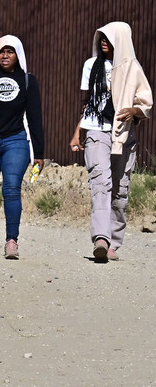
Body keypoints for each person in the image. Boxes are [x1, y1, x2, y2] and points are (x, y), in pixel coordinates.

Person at [68, 22, 151, 262]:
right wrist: (78, 132)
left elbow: (146, 103)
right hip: (96, 130)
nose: (103, 41)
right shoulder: (91, 65)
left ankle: (114, 242)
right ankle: (101, 238)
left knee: (120, 188)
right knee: (100, 182)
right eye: (101, 37)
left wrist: (134, 111)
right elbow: (88, 103)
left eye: (109, 37)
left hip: (122, 134)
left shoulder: (133, 68)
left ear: (121, 39)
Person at [0, 35, 45, 260]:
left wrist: (40, 153)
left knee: (12, 188)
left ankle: (11, 240)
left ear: (18, 55)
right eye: (2, 51)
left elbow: (35, 118)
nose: (5, 55)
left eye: (10, 51)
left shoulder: (27, 81)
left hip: (16, 141)